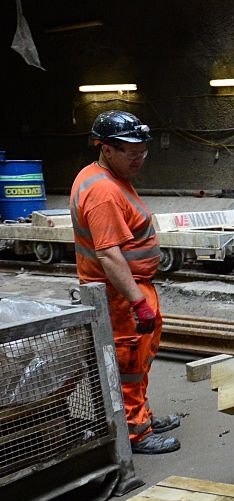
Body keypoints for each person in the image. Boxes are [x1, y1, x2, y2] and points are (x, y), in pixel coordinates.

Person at [71, 110, 180, 454]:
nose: (139, 159)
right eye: (131, 154)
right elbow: (109, 255)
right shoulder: (103, 192)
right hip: (121, 294)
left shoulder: (108, 177)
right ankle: (135, 433)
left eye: (143, 152)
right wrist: (137, 302)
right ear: (105, 148)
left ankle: (142, 416)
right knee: (129, 364)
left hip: (130, 287)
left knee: (140, 359)